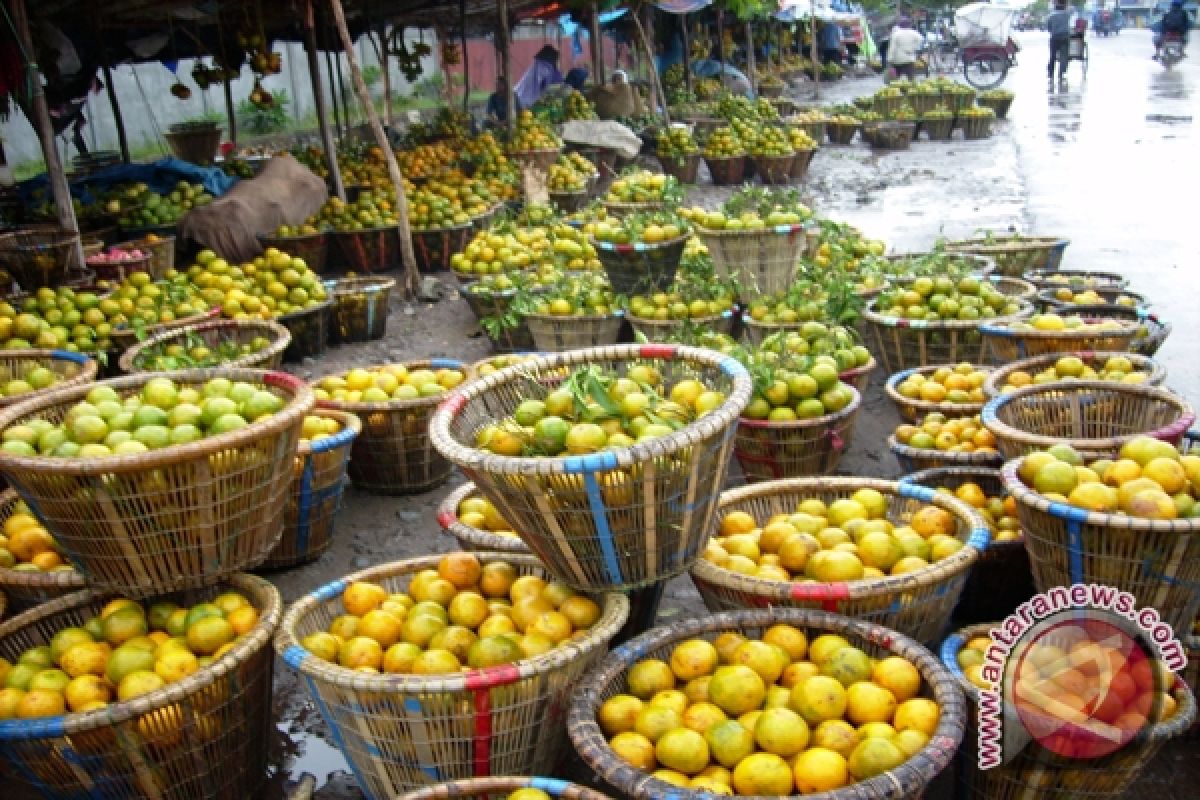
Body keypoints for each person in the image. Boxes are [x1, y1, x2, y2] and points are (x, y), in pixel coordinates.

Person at [1046, 0, 1073, 86]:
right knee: (1064, 56)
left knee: (1052, 56)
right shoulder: (1067, 14)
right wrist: (1067, 3)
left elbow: (1048, 27)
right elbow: (1072, 8)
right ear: (1064, 6)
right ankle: (1061, 73)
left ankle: (1051, 73)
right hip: (1065, 37)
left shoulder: (1051, 15)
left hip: (1054, 37)